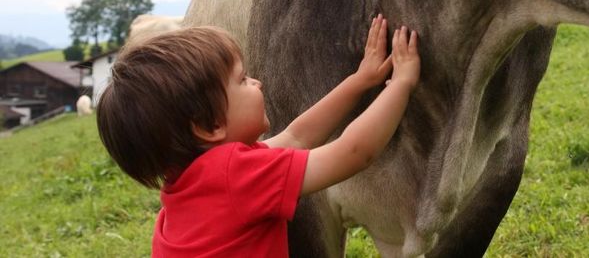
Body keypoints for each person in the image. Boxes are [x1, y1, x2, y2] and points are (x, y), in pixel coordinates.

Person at [96, 14, 420, 257]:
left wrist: (360, 80)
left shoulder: (196, 178)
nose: (257, 83)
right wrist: (401, 84)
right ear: (208, 127)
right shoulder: (235, 177)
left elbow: (296, 136)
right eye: (243, 80)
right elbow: (354, 152)